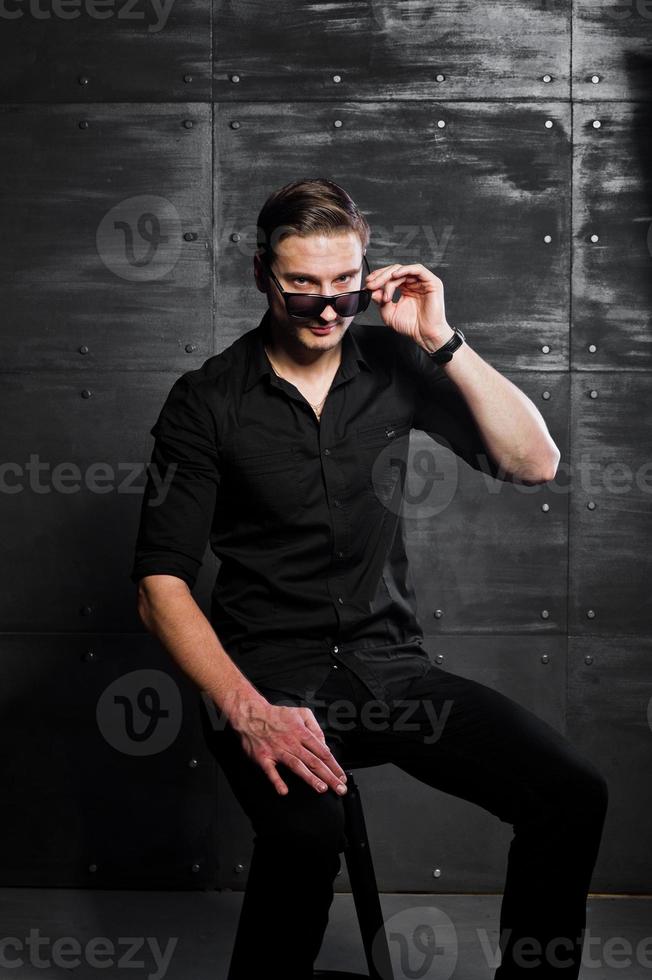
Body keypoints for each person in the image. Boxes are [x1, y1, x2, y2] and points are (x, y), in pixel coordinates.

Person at [131, 177, 608, 979]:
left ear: (365, 274)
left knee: (571, 794)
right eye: (302, 288)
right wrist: (248, 712)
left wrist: (442, 339)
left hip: (390, 675)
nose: (326, 309)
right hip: (268, 683)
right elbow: (158, 586)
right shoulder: (206, 402)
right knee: (308, 838)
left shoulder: (395, 364)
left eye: (344, 287)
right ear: (261, 277)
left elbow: (536, 463)